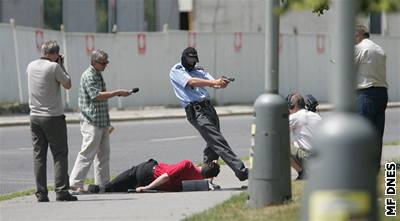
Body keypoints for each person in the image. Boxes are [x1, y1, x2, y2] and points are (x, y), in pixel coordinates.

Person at [169, 47, 248, 181]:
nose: (191, 62)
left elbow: (214, 83)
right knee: (218, 142)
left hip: (209, 109)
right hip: (196, 111)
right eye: (189, 59)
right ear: (183, 58)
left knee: (212, 147)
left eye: (194, 59)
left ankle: (205, 178)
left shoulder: (198, 70)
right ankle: (241, 172)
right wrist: (214, 82)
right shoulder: (177, 70)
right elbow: (192, 82)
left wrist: (221, 83)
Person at [69, 49, 130, 192]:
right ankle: (74, 183)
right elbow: (96, 95)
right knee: (87, 152)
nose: (105, 65)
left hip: (102, 121)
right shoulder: (89, 75)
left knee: (103, 155)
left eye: (106, 63)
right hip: (91, 121)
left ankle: (103, 185)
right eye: (102, 63)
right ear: (94, 62)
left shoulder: (98, 74)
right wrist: (116, 93)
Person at [27, 40, 77, 202]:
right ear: (55, 54)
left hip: (34, 116)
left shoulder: (31, 66)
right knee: (60, 154)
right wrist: (61, 65)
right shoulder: (54, 67)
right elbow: (68, 84)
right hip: (53, 116)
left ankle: (41, 193)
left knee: (39, 156)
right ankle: (62, 191)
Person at [354, 25, 388, 169]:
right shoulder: (380, 49)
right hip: (382, 92)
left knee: (362, 132)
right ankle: (374, 167)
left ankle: (362, 168)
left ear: (359, 35)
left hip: (366, 92)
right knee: (376, 134)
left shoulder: (360, 48)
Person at [86, 159, 220, 193]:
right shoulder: (198, 182)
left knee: (113, 185)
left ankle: (95, 189)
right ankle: (103, 189)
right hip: (148, 178)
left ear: (204, 163)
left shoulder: (187, 165)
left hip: (147, 171)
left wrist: (147, 187)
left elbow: (166, 176)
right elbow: (208, 177)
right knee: (121, 188)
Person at [287, 93, 321, 180]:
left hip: (309, 158)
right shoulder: (316, 116)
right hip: (321, 158)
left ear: (292, 106)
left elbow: (277, 130)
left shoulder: (296, 117)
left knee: (281, 145)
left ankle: (302, 174)